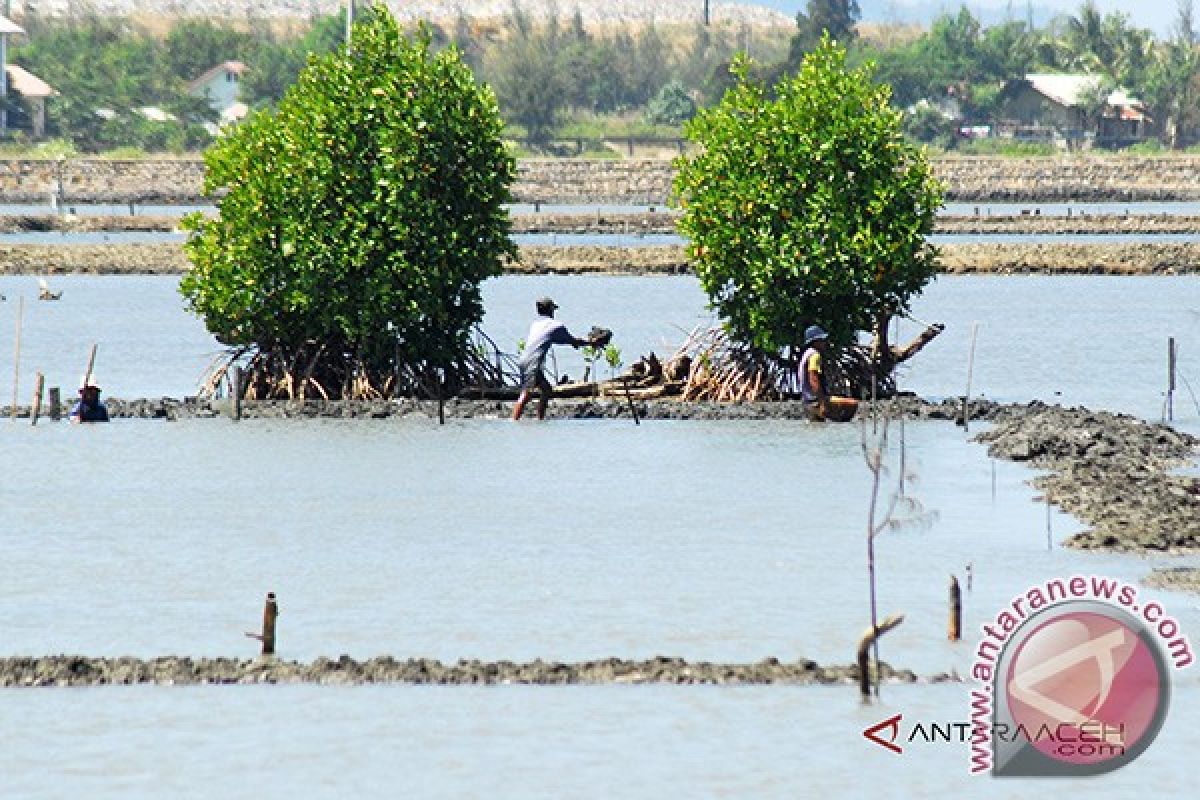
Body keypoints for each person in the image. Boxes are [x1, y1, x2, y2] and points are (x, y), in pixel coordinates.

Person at [512, 297, 590, 421]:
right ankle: (514, 420)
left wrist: (575, 342)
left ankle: (540, 419)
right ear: (551, 310)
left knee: (546, 389)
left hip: (524, 360)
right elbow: (572, 340)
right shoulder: (555, 325)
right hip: (533, 362)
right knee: (527, 393)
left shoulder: (535, 324)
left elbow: (564, 340)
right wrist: (591, 342)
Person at [799, 325, 857, 422]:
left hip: (807, 400)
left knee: (819, 427)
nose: (825, 342)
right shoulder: (815, 355)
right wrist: (822, 402)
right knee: (853, 404)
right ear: (815, 342)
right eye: (822, 340)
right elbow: (813, 379)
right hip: (815, 400)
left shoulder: (806, 354)